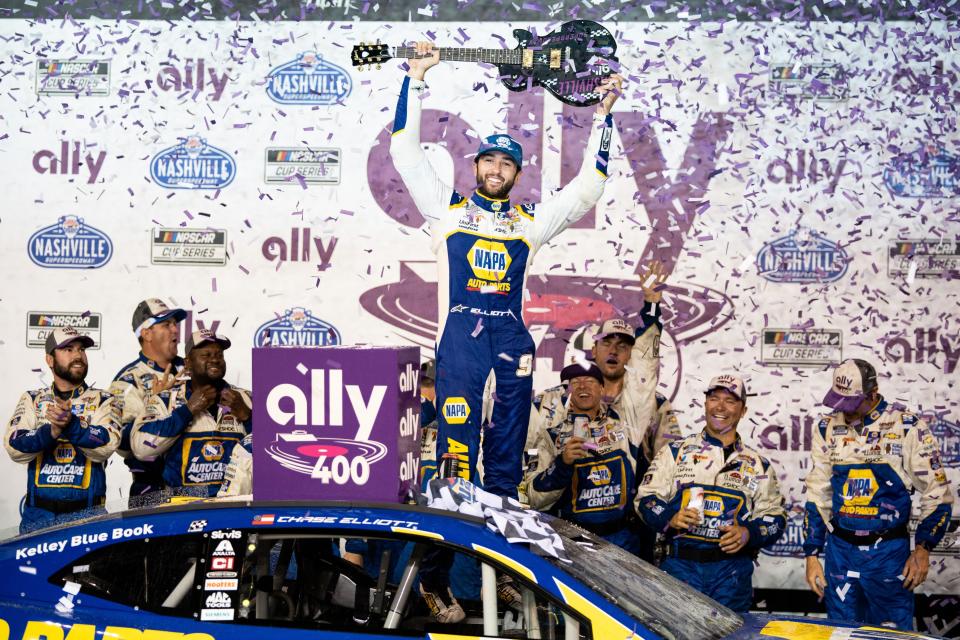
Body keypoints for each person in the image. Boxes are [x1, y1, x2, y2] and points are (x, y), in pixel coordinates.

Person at [391, 41, 623, 500]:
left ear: (517, 175)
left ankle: (497, 562)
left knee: (505, 459)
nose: (497, 169)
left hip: (512, 343)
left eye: (507, 164)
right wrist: (414, 79)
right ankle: (451, 565)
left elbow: (589, 187)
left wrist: (603, 116)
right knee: (455, 461)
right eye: (490, 160)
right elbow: (404, 151)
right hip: (459, 344)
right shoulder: (447, 210)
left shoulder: (529, 222)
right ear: (476, 166)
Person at [803, 359, 954, 631]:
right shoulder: (826, 427)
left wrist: (923, 548)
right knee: (840, 633)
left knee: (890, 636)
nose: (843, 411)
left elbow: (938, 492)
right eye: (838, 401)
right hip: (840, 553)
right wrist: (812, 555)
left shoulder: (907, 426)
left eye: (851, 403)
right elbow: (818, 494)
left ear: (873, 393)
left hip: (888, 555)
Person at [636, 374, 786, 612]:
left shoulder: (758, 465)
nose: (720, 407)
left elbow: (775, 519)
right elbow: (646, 500)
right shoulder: (675, 452)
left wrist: (749, 533)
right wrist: (669, 518)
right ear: (705, 404)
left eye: (730, 401)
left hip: (731, 575)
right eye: (714, 398)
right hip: (679, 568)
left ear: (743, 410)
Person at [5, 327, 120, 532]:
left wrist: (72, 425)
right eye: (68, 349)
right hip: (38, 518)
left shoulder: (104, 399)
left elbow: (106, 444)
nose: (78, 355)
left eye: (81, 349)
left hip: (89, 517)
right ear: (50, 360)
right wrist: (51, 432)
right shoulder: (32, 399)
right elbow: (14, 444)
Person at [524, 363, 645, 553]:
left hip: (623, 541)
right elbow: (533, 497)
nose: (582, 386)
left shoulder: (626, 426)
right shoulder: (551, 435)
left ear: (602, 389)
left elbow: (644, 378)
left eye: (590, 381)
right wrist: (562, 464)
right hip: (573, 542)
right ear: (567, 392)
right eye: (575, 382)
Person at [131, 330, 251, 496]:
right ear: (188, 363)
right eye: (206, 355)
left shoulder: (246, 398)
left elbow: (274, 450)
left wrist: (248, 417)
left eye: (219, 354)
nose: (215, 359)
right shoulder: (166, 400)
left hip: (233, 507)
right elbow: (141, 448)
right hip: (182, 509)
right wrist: (187, 411)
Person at [110, 298, 187, 506]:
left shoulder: (193, 370)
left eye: (175, 324)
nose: (175, 330)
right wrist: (156, 402)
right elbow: (123, 443)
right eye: (166, 324)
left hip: (195, 484)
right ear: (146, 333)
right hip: (151, 488)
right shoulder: (127, 381)